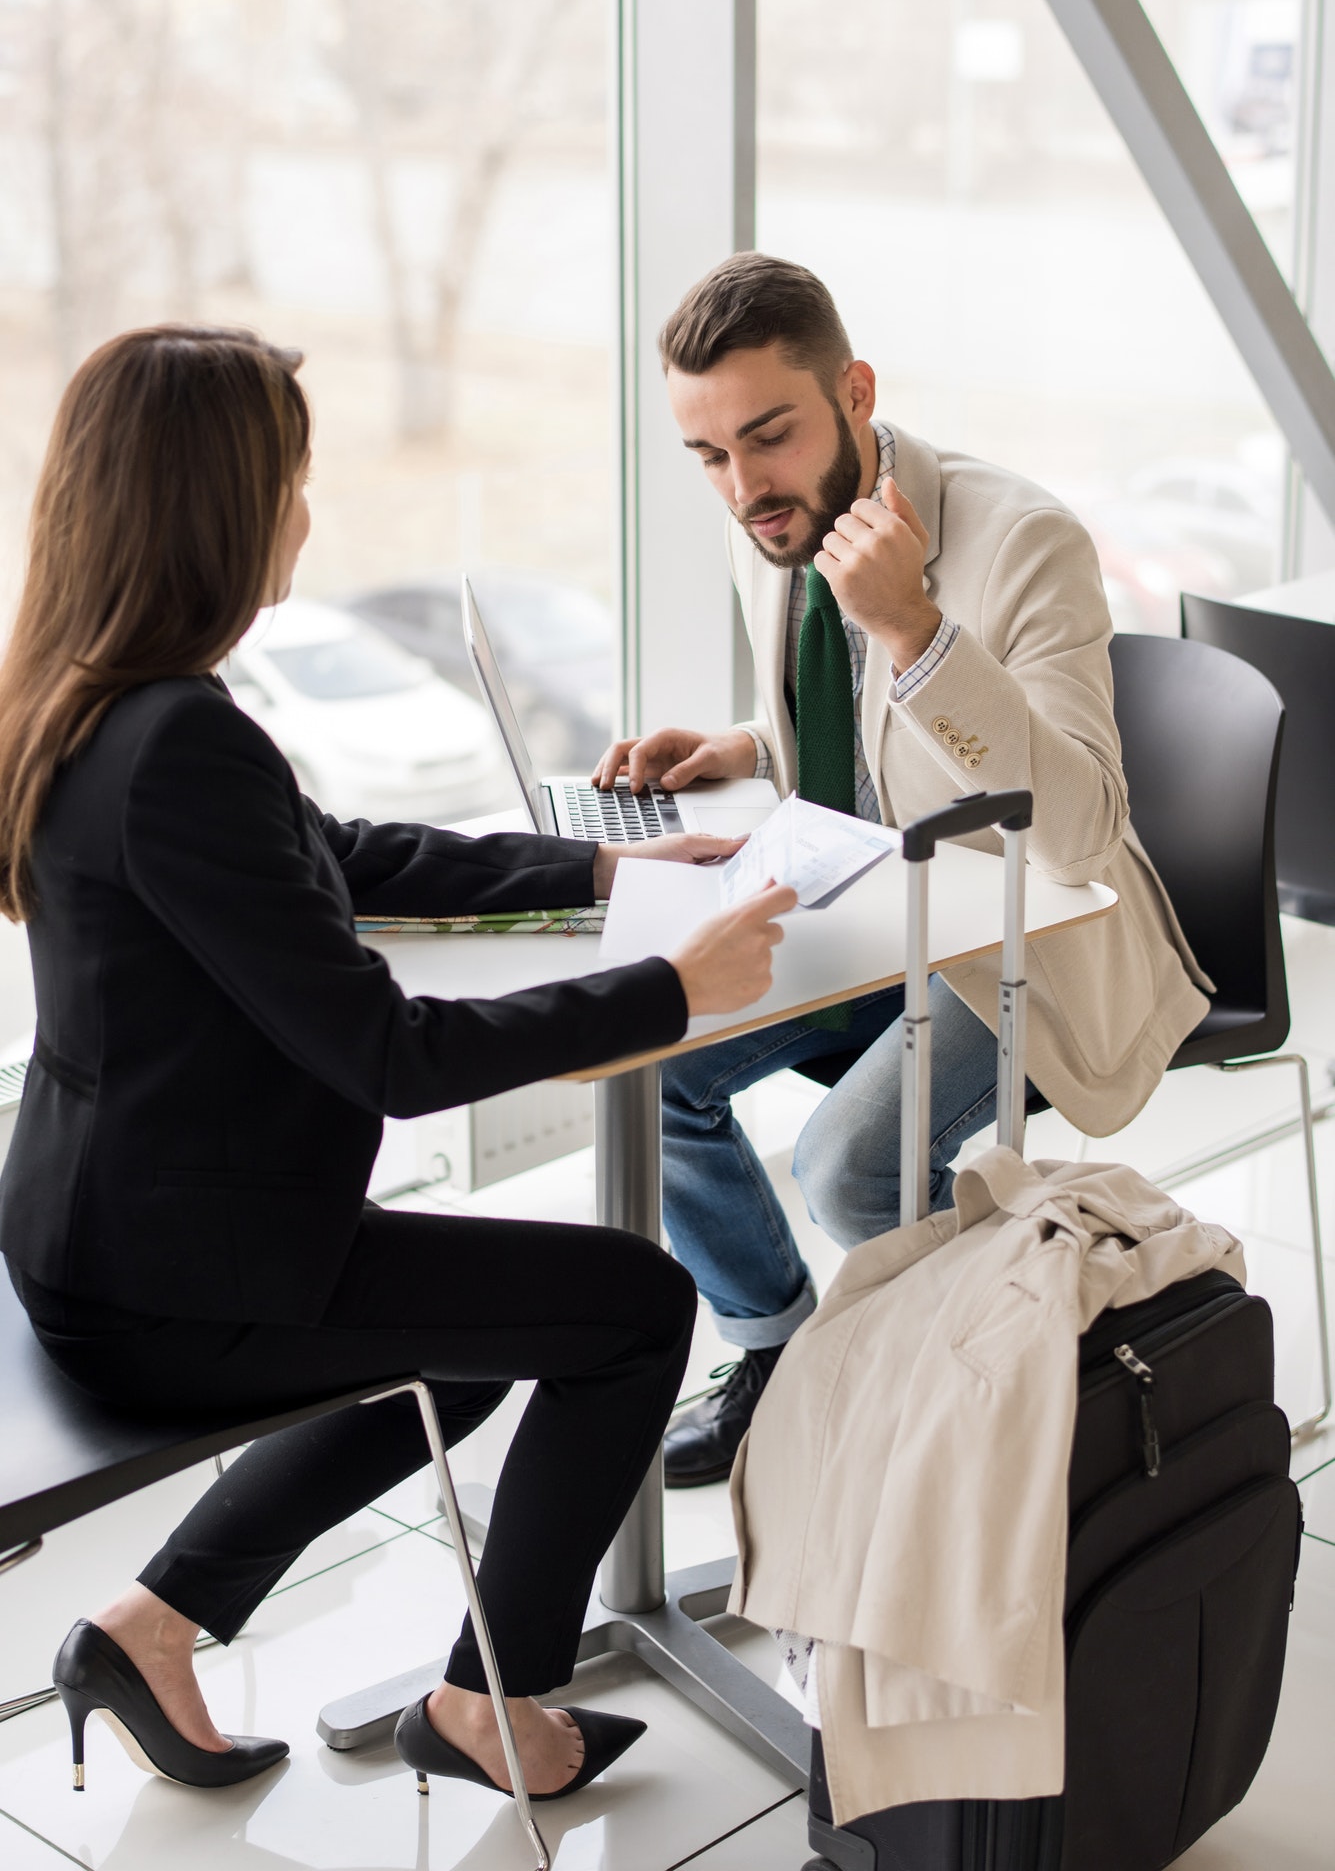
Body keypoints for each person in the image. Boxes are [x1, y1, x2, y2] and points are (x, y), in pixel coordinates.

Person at [0, 325, 796, 1801]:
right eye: (290, 479)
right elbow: (394, 1057)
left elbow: (336, 853)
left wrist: (599, 870)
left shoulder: (95, 698)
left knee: (487, 1334)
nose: (305, 513)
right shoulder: (179, 742)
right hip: (173, 1284)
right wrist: (668, 988)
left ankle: (151, 1625)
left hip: (113, 1232)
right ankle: (493, 1701)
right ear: (218, 506)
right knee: (632, 1307)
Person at [592, 252, 1211, 1486]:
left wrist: (917, 630)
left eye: (768, 436)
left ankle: (964, 1428)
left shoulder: (1023, 540)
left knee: (850, 1164)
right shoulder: (779, 519)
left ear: (856, 393)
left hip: (1022, 941)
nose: (744, 487)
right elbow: (863, 730)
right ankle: (779, 1359)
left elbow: (1081, 828)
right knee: (648, 1055)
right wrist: (746, 744)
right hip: (872, 908)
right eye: (709, 455)